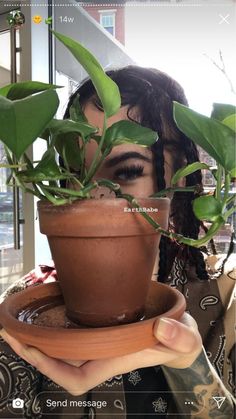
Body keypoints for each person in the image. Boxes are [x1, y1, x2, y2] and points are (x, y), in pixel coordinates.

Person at [0, 66, 235, 419]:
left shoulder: (227, 300)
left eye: (127, 172)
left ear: (180, 173)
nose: (94, 198)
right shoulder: (29, 310)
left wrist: (189, 363)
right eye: (74, 176)